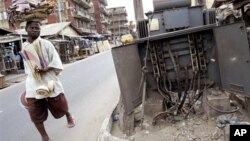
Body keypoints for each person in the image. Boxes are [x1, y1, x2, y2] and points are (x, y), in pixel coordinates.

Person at [22, 20, 75, 141]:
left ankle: (68, 115)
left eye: (37, 28)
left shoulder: (47, 44)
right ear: (26, 29)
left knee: (60, 104)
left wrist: (45, 69)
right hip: (33, 83)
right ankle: (44, 136)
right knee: (34, 112)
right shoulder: (24, 47)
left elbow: (56, 61)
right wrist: (34, 73)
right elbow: (27, 67)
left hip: (48, 79)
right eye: (32, 28)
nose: (35, 30)